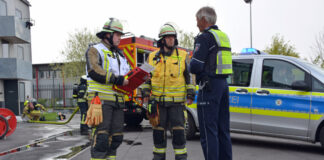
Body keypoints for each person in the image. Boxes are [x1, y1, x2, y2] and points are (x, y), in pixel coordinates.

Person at [141, 23, 195, 160]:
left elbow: (189, 77)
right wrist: (145, 94)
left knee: (178, 135)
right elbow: (147, 78)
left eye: (173, 37)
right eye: (168, 37)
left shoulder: (183, 55)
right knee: (158, 135)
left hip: (177, 105)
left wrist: (190, 93)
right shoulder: (152, 56)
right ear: (162, 39)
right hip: (158, 104)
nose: (171, 40)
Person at [189, 6, 233, 160]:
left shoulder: (205, 37)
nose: (196, 24)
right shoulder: (223, 36)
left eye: (197, 20)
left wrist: (190, 63)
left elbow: (195, 66)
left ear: (204, 19)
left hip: (209, 87)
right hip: (223, 85)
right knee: (223, 130)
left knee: (208, 132)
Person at [85, 18, 130, 160]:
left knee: (116, 138)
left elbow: (127, 75)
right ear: (107, 35)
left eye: (120, 35)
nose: (120, 38)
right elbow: (94, 70)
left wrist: (138, 78)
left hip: (117, 101)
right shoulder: (94, 50)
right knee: (102, 138)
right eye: (117, 35)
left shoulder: (121, 55)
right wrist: (116, 79)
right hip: (100, 100)